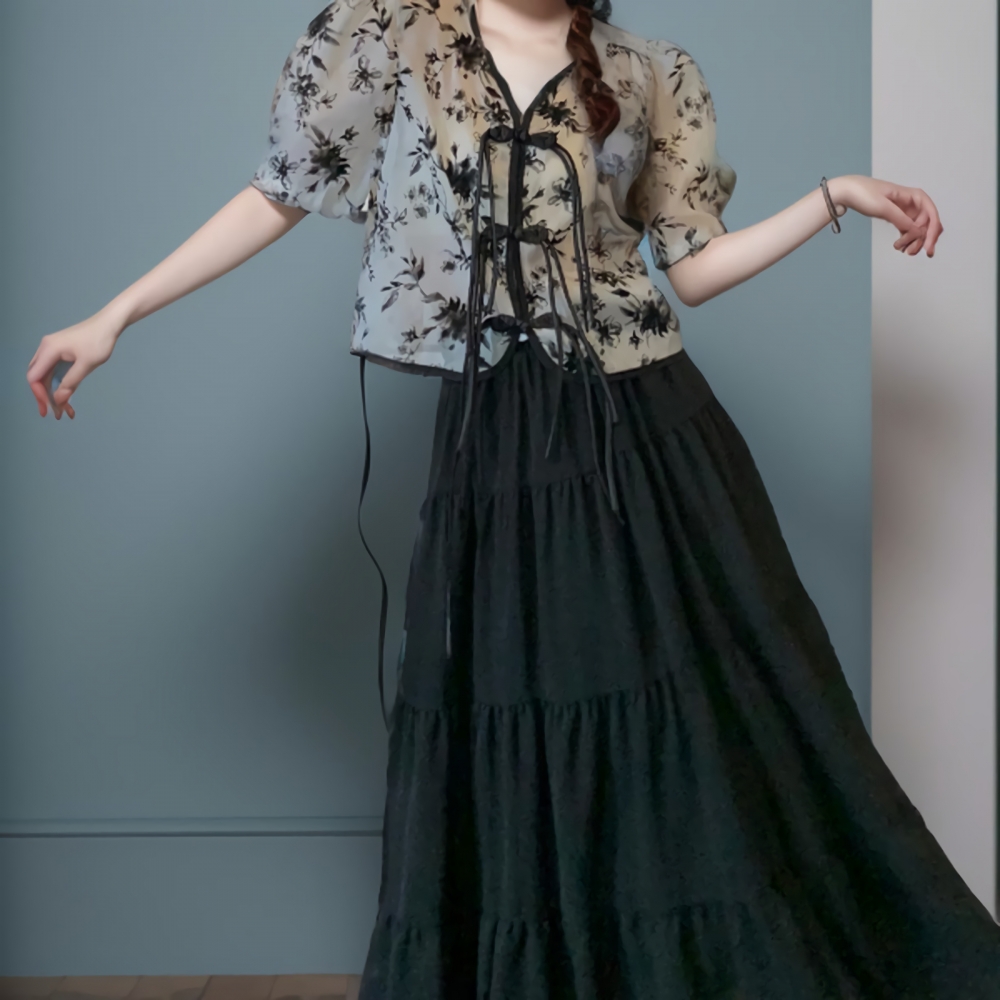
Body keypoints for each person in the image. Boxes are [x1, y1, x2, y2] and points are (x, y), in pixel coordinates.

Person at [25, 0, 1000, 996]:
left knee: (685, 717)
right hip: (492, 436)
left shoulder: (649, 70)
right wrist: (115, 315)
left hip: (644, 432)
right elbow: (280, 192)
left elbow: (695, 270)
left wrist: (836, 194)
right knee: (514, 710)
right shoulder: (395, 36)